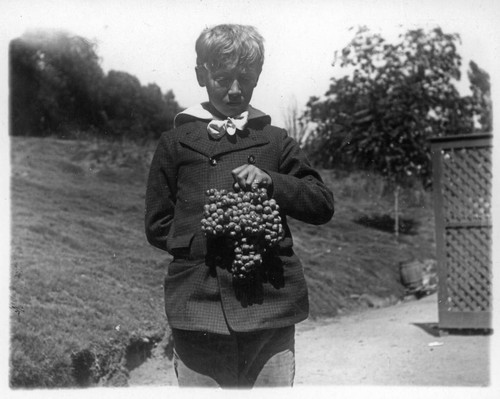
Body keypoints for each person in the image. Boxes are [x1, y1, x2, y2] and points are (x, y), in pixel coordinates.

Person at [145, 24, 334, 388]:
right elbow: (157, 225)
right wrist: (212, 237)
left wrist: (272, 182)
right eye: (222, 79)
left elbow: (322, 203)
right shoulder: (175, 142)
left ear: (258, 77)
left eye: (244, 79)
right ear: (202, 75)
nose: (234, 91)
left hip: (269, 304)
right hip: (198, 304)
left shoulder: (275, 140)